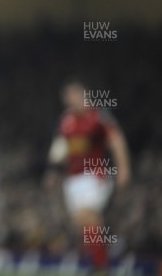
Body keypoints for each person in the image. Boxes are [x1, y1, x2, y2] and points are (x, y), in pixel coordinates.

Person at [45, 79, 130, 272]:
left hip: (95, 174)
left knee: (88, 216)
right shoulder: (66, 120)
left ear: (85, 95)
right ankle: (100, 259)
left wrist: (123, 168)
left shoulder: (98, 116)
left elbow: (116, 140)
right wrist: (53, 171)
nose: (72, 101)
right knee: (82, 223)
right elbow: (60, 147)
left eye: (76, 96)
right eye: (68, 97)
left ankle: (100, 266)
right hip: (73, 179)